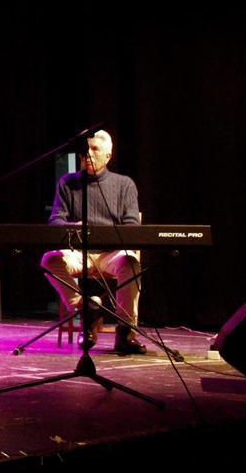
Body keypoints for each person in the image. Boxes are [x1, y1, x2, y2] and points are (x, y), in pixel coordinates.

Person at [40, 130, 146, 355]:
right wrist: (73, 226)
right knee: (49, 260)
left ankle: (126, 333)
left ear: (108, 155)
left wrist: (105, 234)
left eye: (95, 149)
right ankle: (88, 310)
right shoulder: (67, 183)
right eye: (84, 151)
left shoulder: (124, 184)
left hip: (111, 254)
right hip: (79, 253)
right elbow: (55, 220)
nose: (87, 154)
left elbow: (131, 226)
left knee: (131, 263)